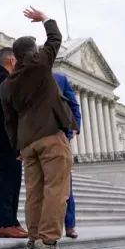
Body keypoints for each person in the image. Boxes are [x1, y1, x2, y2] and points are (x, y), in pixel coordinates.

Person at [0, 7, 77, 249]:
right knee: (57, 189)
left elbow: (8, 120)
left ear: (15, 56)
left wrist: (17, 148)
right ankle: (48, 241)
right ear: (33, 52)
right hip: (51, 136)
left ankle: (34, 240)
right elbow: (55, 39)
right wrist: (45, 19)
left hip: (27, 143)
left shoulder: (6, 85)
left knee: (34, 193)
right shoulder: (41, 64)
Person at [0, 48, 28, 239]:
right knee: (8, 180)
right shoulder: (1, 79)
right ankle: (5, 223)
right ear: (12, 60)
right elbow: (11, 109)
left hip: (9, 137)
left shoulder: (1, 77)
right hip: (6, 137)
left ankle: (12, 219)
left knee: (14, 180)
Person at [54, 72, 82, 239]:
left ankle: (69, 224)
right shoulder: (25, 78)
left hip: (60, 136)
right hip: (35, 139)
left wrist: (74, 127)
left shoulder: (60, 79)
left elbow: (73, 105)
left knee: (66, 184)